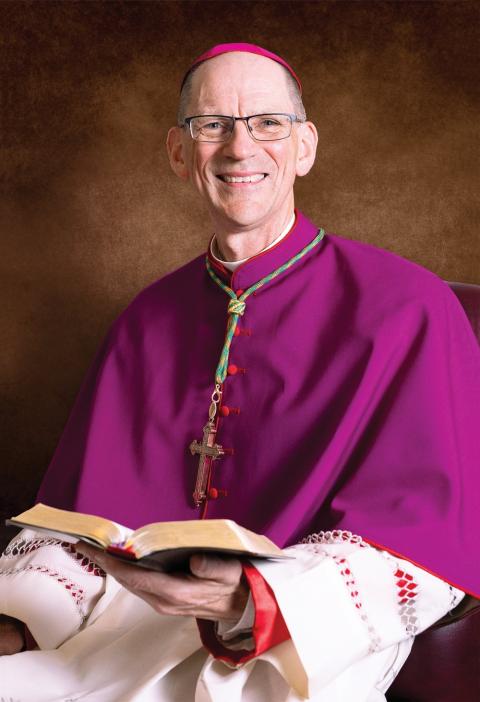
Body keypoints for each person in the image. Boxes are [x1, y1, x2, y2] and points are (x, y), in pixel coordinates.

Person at [0, 43, 479, 701]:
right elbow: (80, 519)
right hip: (125, 628)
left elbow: (427, 537)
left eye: (267, 123)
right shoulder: (146, 317)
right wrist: (20, 617)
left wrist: (255, 601)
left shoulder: (408, 306)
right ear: (178, 152)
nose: (239, 147)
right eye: (212, 124)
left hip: (300, 640)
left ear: (305, 146)